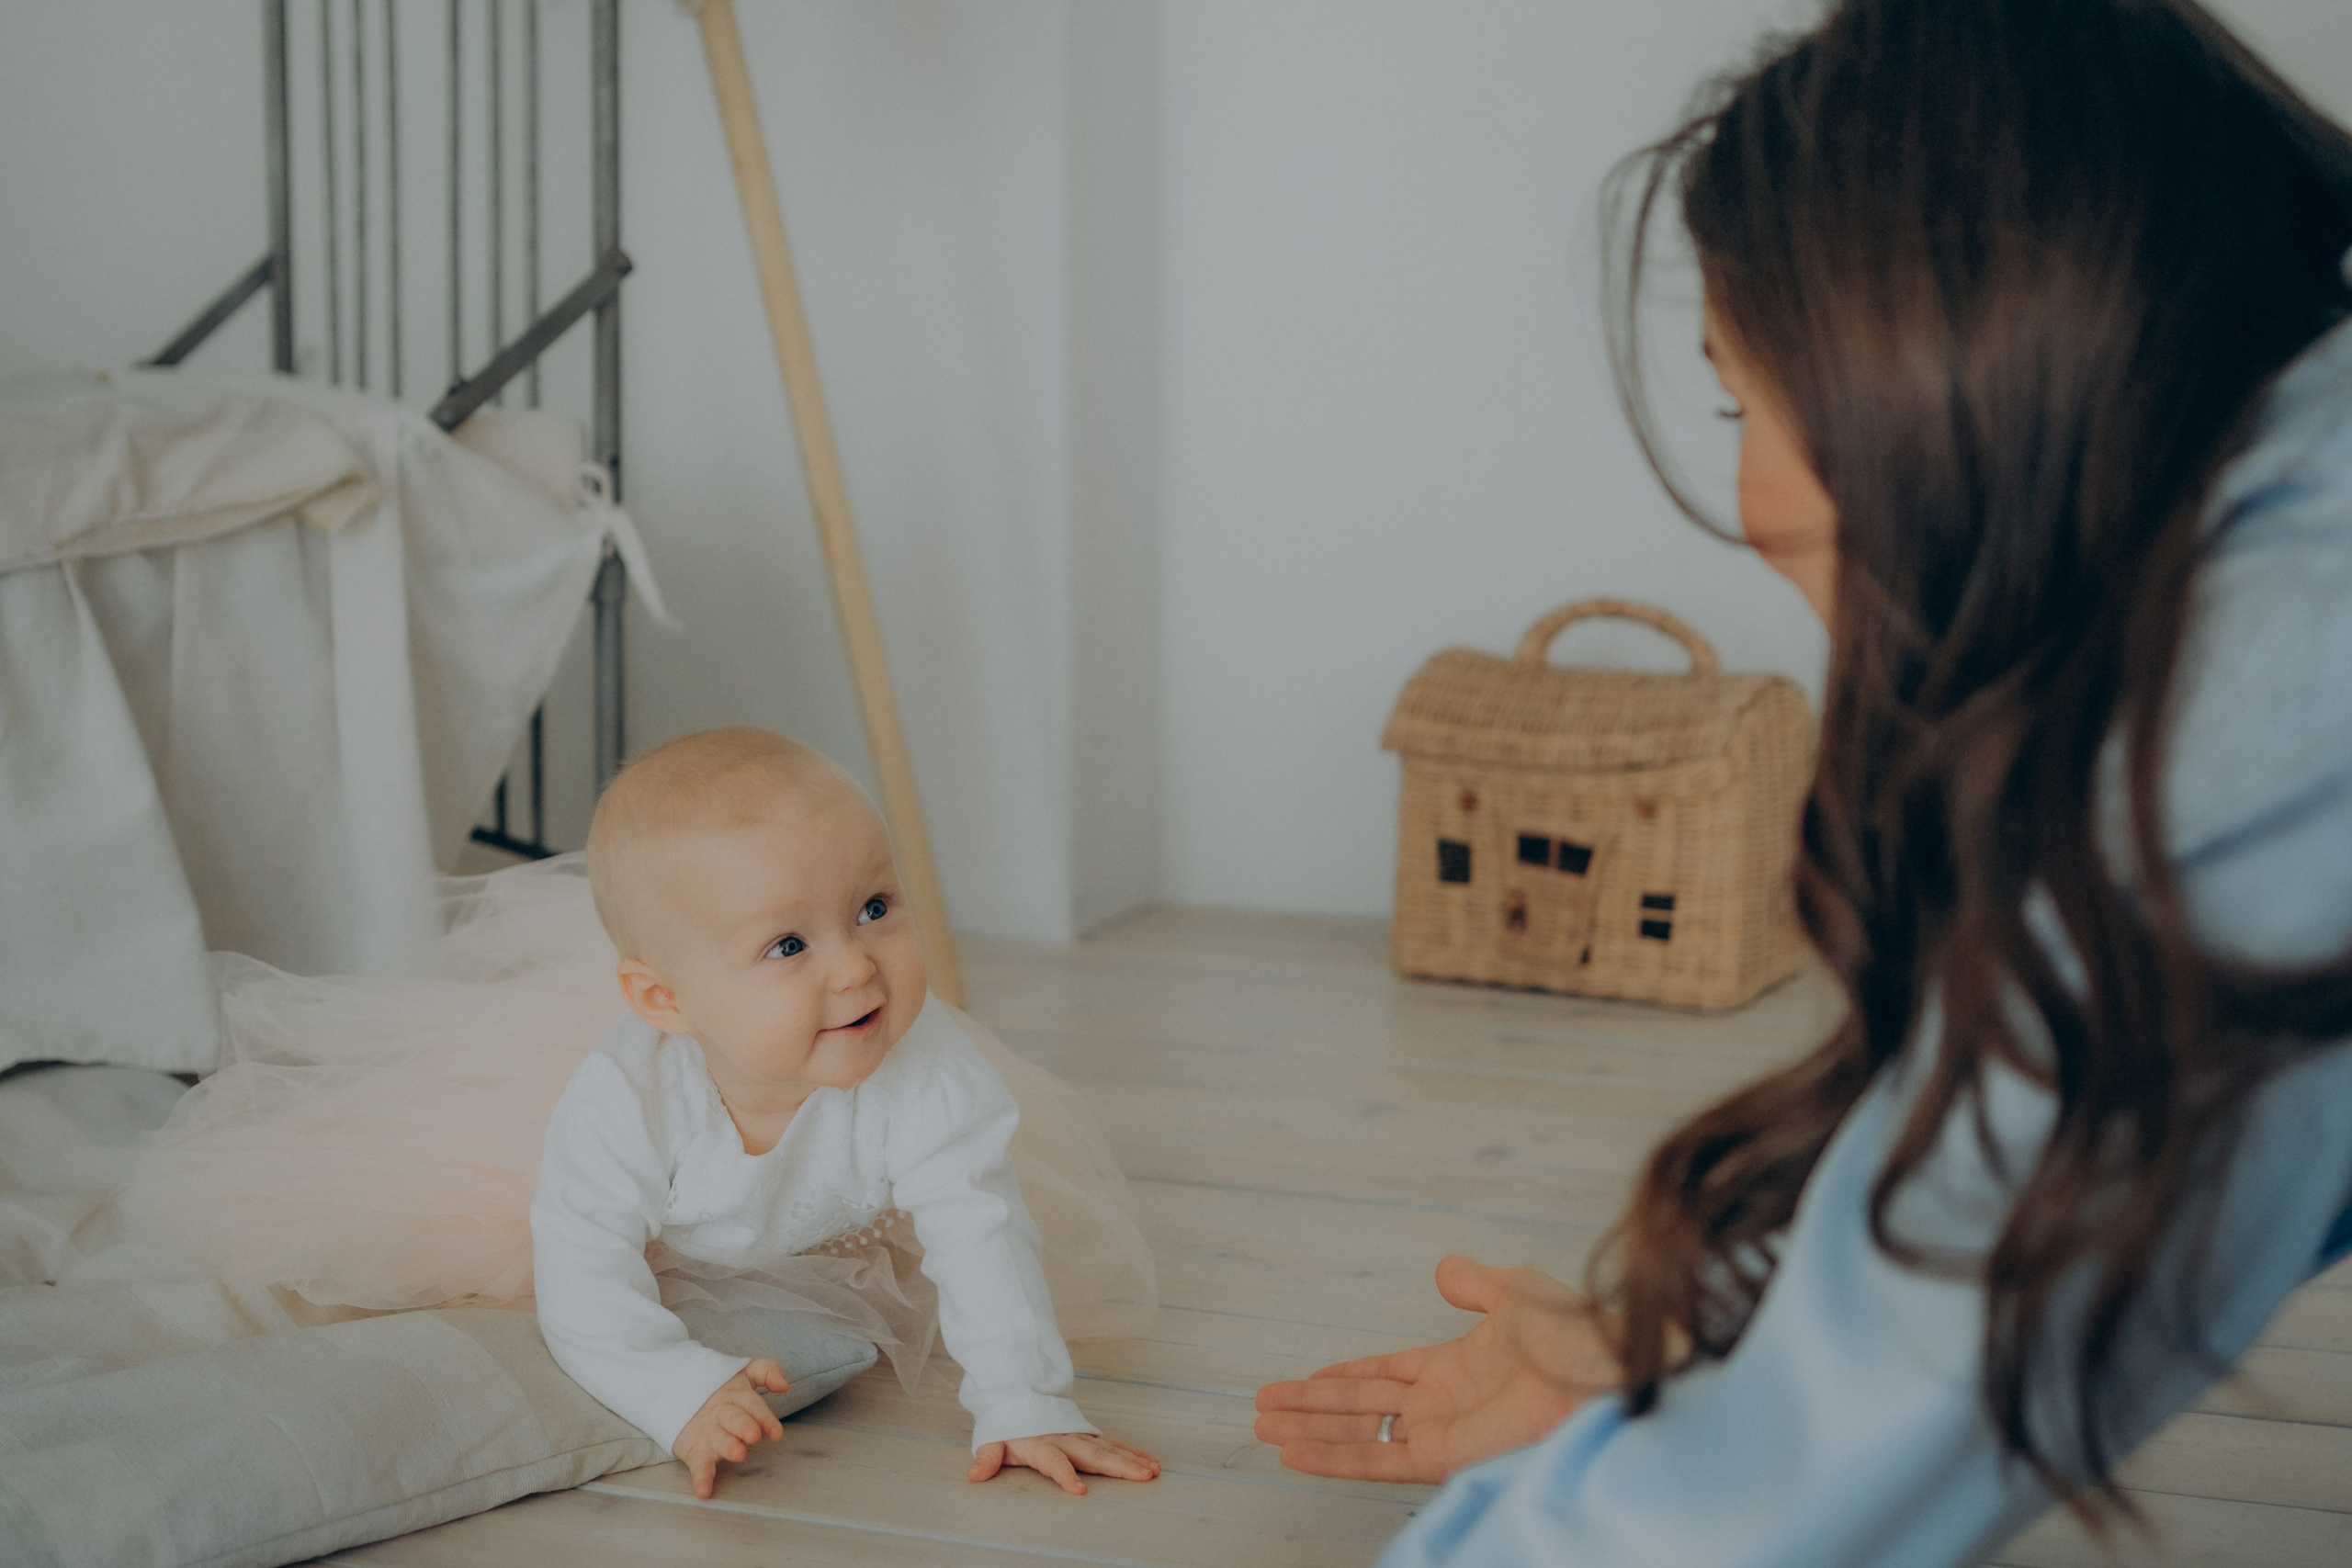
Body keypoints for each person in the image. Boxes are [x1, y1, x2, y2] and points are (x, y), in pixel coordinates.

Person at [1253, 2, 2352, 1562]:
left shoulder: (2259, 703)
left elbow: (1849, 1431)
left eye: (1738, 402)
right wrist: (1702, 1356)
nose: (1751, 496)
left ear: (1941, 377)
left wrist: (1708, 1418)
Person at [99, 727, 1159, 1502]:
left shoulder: (926, 1074)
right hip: (613, 1168)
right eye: (789, 945)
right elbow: (585, 1268)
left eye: (874, 908)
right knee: (497, 1233)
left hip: (785, 1195)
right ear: (663, 1000)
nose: (855, 969)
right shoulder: (627, 1098)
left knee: (980, 1208)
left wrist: (1024, 1400)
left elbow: (980, 1232)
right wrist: (671, 1385)